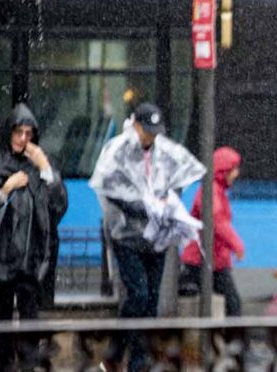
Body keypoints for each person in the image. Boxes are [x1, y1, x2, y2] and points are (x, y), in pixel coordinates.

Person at [90, 102, 205, 372]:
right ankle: (118, 352)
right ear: (136, 126)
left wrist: (168, 201)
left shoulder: (163, 151)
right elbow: (110, 188)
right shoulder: (119, 150)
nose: (151, 137)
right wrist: (141, 206)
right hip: (127, 237)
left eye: (156, 132)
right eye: (147, 130)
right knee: (138, 294)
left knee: (151, 300)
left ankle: (135, 361)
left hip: (157, 238)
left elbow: (177, 178)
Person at [0, 103, 68, 371]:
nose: (23, 139)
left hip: (31, 263)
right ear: (8, 132)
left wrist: (45, 167)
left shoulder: (39, 166)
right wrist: (6, 189)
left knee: (29, 333)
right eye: (18, 132)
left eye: (28, 133)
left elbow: (58, 206)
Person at [179, 146, 245, 316]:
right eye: (233, 169)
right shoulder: (211, 191)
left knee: (231, 302)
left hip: (210, 259)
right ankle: (232, 340)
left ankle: (229, 339)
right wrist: (236, 245)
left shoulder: (216, 190)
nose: (236, 174)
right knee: (232, 303)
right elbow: (217, 220)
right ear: (223, 171)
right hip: (204, 259)